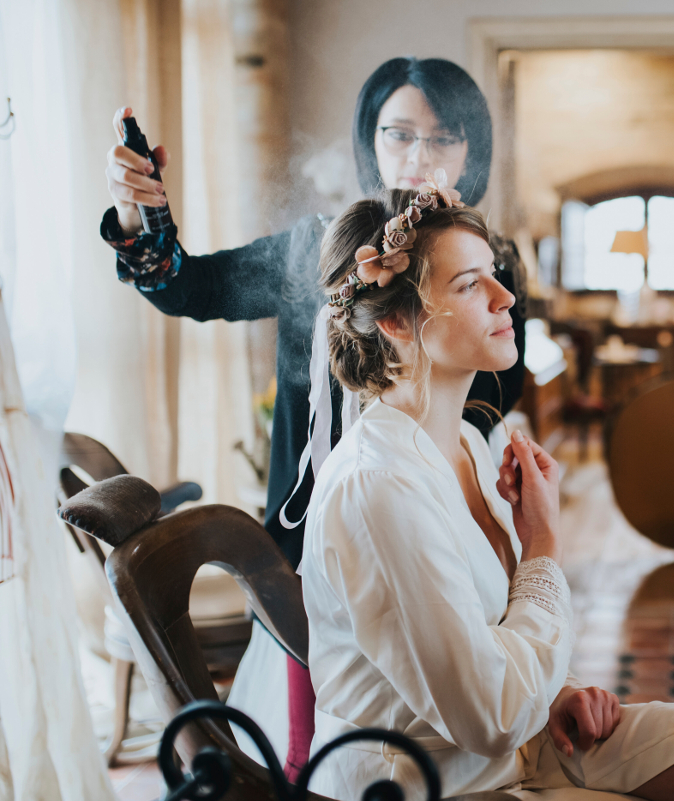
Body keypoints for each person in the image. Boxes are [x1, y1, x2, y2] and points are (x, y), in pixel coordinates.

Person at [100, 57, 524, 778]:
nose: (421, 157)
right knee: (320, 745)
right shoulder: (318, 249)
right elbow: (189, 286)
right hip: (306, 559)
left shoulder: (491, 263)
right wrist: (142, 216)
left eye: (443, 138)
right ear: (371, 142)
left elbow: (496, 395)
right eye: (400, 135)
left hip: (438, 545)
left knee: (448, 731)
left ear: (470, 148)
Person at [301, 183, 674, 800]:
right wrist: (544, 543)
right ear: (398, 321)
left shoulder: (467, 444)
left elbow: (494, 636)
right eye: (470, 285)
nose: (506, 297)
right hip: (433, 779)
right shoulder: (377, 489)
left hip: (522, 745)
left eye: (495, 275)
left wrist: (561, 692)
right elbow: (492, 716)